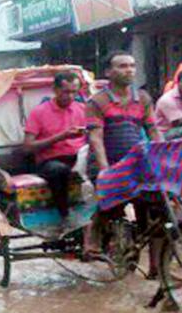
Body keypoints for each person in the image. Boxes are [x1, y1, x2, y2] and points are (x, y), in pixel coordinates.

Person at [87, 51, 163, 274]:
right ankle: (94, 233)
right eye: (122, 66)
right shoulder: (97, 101)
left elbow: (153, 130)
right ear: (108, 72)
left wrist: (163, 156)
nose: (129, 70)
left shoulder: (143, 98)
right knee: (112, 203)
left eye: (131, 65)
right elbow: (95, 137)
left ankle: (156, 268)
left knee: (156, 210)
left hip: (136, 162)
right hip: (108, 163)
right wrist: (105, 170)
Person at [23, 72, 87, 225]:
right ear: (55, 90)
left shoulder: (82, 109)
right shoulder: (39, 112)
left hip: (79, 156)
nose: (70, 96)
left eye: (74, 92)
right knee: (59, 170)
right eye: (66, 92)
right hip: (50, 161)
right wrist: (61, 137)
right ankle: (65, 215)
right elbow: (27, 147)